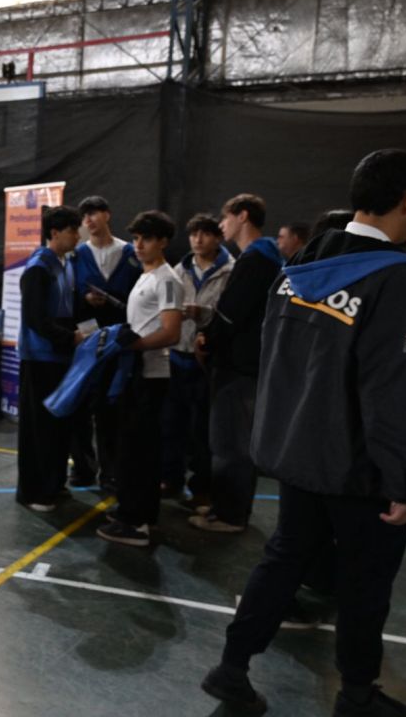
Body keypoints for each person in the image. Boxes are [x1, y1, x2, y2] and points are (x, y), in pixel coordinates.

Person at [201, 149, 406, 717]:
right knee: (365, 581)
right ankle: (356, 693)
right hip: (357, 463)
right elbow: (391, 386)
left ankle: (232, 666)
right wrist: (404, 479)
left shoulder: (300, 265)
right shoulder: (399, 276)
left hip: (295, 451)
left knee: (284, 558)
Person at [189, 194, 283, 533]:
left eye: (225, 218)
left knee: (231, 443)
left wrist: (207, 338)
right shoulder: (265, 257)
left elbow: (231, 313)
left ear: (243, 216)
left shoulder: (256, 259)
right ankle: (227, 508)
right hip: (245, 363)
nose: (221, 225)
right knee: (232, 441)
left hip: (239, 366)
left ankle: (230, 515)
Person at [96, 210, 182, 546]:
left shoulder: (167, 279)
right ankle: (137, 511)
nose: (139, 245)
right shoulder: (146, 276)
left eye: (146, 238)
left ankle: (135, 523)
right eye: (135, 238)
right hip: (135, 371)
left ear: (163, 241)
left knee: (139, 449)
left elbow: (171, 332)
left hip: (150, 374)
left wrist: (134, 346)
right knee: (133, 447)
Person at [71, 195, 143, 490]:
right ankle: (83, 467)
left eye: (94, 213)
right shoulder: (77, 255)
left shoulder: (129, 252)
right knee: (79, 406)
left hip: (119, 341)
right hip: (85, 340)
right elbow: (69, 296)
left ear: (107, 215)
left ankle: (110, 471)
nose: (89, 220)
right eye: (85, 215)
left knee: (110, 409)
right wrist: (85, 300)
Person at [161, 214, 233, 507]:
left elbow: (232, 315)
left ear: (218, 237)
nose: (198, 240)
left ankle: (202, 487)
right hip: (177, 355)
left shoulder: (231, 271)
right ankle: (171, 479)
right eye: (193, 234)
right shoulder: (179, 270)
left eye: (205, 234)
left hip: (208, 360)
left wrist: (202, 314)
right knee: (171, 425)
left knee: (203, 430)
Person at [16, 206, 83, 511]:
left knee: (58, 426)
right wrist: (69, 337)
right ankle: (34, 492)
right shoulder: (38, 267)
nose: (78, 236)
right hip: (40, 358)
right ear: (54, 233)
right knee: (38, 428)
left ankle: (54, 484)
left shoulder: (64, 264)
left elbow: (62, 308)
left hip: (60, 358)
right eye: (72, 230)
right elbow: (34, 318)